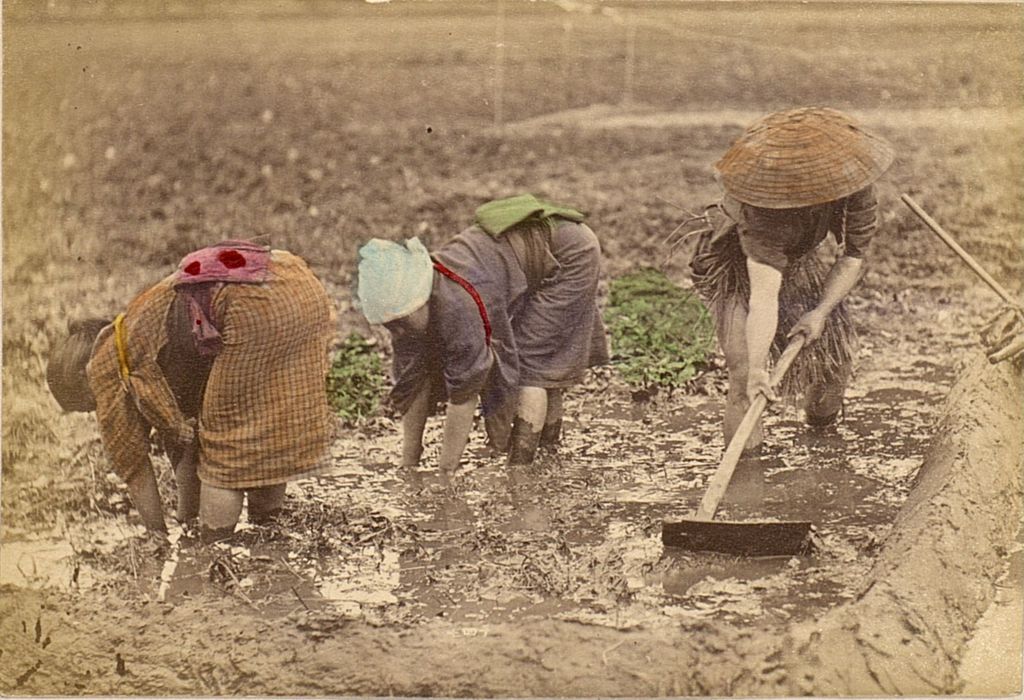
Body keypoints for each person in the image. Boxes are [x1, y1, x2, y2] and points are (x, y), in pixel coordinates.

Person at [46, 241, 336, 542]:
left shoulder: (105, 366)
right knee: (266, 426)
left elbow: (135, 469)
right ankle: (268, 527)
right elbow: (183, 446)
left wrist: (158, 536)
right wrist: (186, 519)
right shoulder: (147, 347)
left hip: (251, 305)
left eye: (89, 408)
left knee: (226, 446)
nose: (99, 413)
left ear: (83, 377)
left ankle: (215, 548)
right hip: (299, 285)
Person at [357, 194, 608, 478]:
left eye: (401, 322)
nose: (397, 332)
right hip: (532, 251)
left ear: (421, 298)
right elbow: (413, 383)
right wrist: (408, 464)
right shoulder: (408, 318)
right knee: (537, 357)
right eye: (389, 326)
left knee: (533, 367)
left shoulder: (458, 306)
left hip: (568, 253)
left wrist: (445, 474)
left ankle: (521, 473)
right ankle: (548, 453)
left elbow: (463, 397)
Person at [689, 107, 894, 452]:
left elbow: (852, 257)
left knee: (835, 359)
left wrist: (820, 312)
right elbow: (764, 297)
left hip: (798, 259)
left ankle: (823, 444)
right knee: (743, 381)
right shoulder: (765, 212)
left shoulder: (853, 181)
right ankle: (746, 483)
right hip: (737, 264)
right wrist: (758, 370)